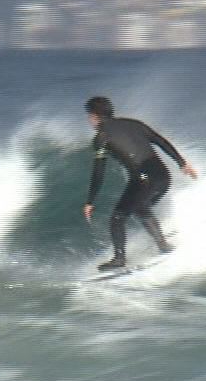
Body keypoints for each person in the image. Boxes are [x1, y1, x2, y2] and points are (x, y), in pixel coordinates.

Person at [81, 96, 199, 271]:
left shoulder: (101, 137)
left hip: (144, 180)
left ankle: (119, 259)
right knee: (140, 207)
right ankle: (163, 244)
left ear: (93, 116)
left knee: (118, 217)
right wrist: (182, 163)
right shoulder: (134, 124)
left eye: (89, 116)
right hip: (163, 176)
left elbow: (99, 171)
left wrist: (90, 201)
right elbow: (161, 141)